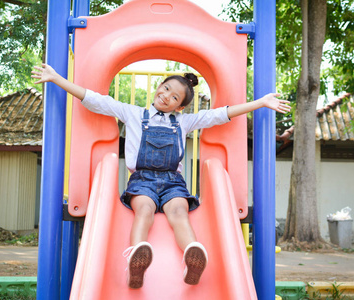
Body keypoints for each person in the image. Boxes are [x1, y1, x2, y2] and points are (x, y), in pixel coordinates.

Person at [32, 63, 291, 289]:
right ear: (160, 86)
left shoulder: (184, 123)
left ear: (180, 106)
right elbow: (95, 99)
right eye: (166, 89)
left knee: (178, 211)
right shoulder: (133, 114)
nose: (166, 96)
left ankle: (193, 255)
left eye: (175, 97)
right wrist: (57, 79)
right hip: (142, 180)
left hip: (172, 182)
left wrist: (261, 103)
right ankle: (136, 259)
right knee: (143, 209)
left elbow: (220, 114)